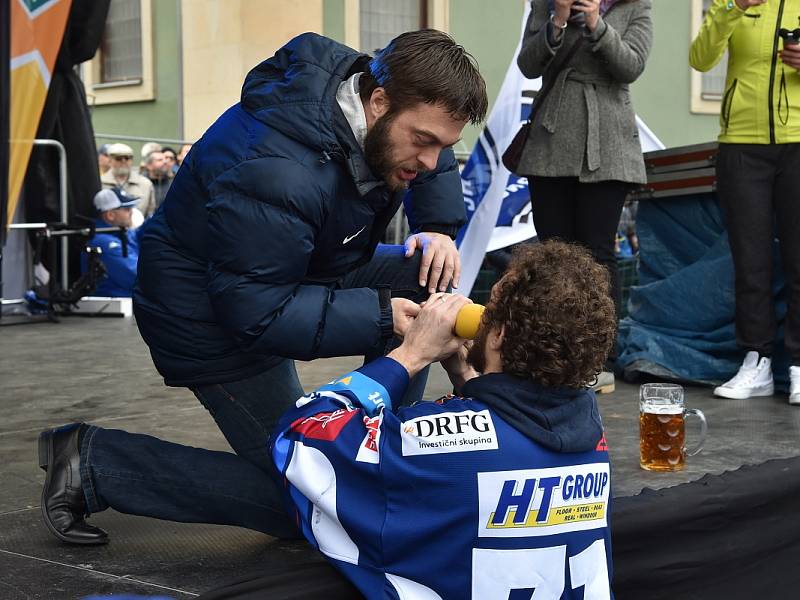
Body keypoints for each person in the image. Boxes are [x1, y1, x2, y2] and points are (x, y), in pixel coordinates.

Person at [37, 30, 487, 545]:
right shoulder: (275, 167)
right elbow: (257, 310)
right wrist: (386, 318)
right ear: (378, 102)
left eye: (442, 145)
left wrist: (436, 227)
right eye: (422, 141)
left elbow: (434, 155)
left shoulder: (386, 102)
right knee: (317, 497)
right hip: (208, 314)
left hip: (301, 266)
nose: (430, 160)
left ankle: (382, 463)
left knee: (424, 270)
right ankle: (94, 463)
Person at [269, 240, 616, 599]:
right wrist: (472, 383)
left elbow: (295, 439)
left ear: (499, 333)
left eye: (491, 310)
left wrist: (409, 355)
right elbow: (511, 434)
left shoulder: (430, 445)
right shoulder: (592, 441)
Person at [516, 0, 652, 394]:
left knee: (597, 253)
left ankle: (597, 357)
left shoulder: (636, 6)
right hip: (551, 141)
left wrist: (596, 23)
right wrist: (557, 20)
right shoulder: (547, 5)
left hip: (609, 144)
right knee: (554, 251)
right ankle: (550, 352)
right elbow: (528, 65)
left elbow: (631, 66)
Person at [690, 0, 800, 404]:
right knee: (750, 259)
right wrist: (733, 9)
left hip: (799, 142)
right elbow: (700, 59)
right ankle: (757, 361)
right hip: (741, 143)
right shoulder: (729, 3)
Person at [82, 188, 141, 297]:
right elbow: (137, 275)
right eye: (127, 209)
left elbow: (140, 235)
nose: (132, 212)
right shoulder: (102, 242)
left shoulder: (120, 233)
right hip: (113, 306)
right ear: (110, 215)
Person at [101, 143, 157, 218]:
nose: (123, 161)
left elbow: (150, 214)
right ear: (110, 161)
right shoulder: (100, 183)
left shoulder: (145, 184)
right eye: (118, 158)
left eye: (127, 158)